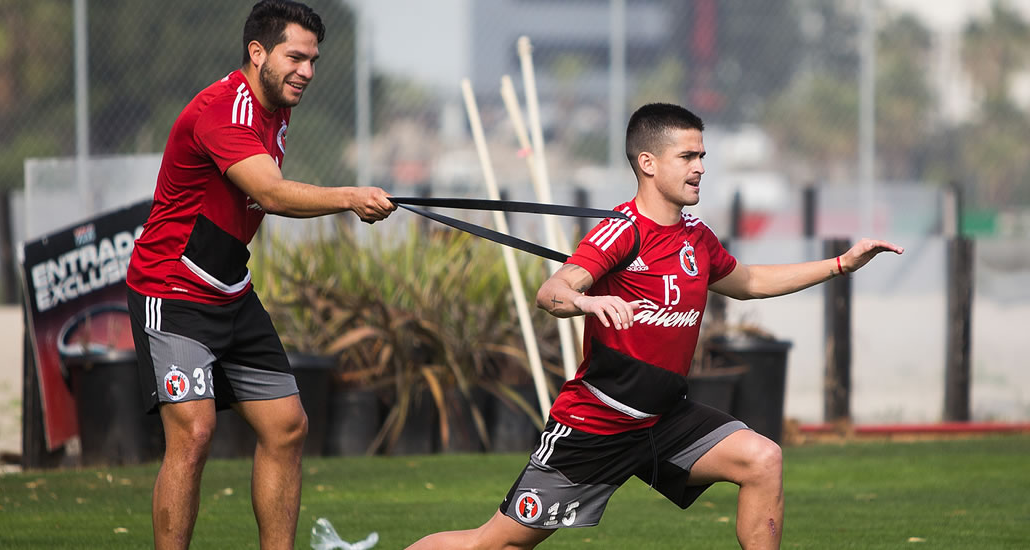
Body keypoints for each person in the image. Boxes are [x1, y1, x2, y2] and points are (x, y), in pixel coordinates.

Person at [406, 103, 903, 550]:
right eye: (688, 156)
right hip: (597, 425)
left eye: (702, 155)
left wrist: (839, 264)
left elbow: (749, 282)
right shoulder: (621, 230)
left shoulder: (696, 238)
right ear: (648, 162)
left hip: (665, 420)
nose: (701, 167)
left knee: (762, 459)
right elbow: (551, 292)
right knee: (495, 545)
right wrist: (587, 300)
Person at [125, 2, 395, 549]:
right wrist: (350, 197)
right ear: (257, 53)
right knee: (195, 433)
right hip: (171, 290)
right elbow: (269, 193)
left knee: (287, 426)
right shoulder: (223, 110)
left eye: (313, 60)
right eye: (295, 57)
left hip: (230, 291)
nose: (308, 72)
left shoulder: (277, 107)